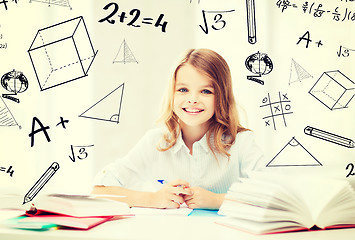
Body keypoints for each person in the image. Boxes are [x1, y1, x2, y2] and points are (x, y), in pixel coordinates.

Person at [92, 48, 265, 210]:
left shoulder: (241, 142)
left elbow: (270, 195)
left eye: (205, 91)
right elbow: (99, 191)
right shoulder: (156, 142)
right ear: (172, 94)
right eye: (183, 89)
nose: (192, 99)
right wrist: (153, 199)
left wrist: (216, 200)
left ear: (222, 96)